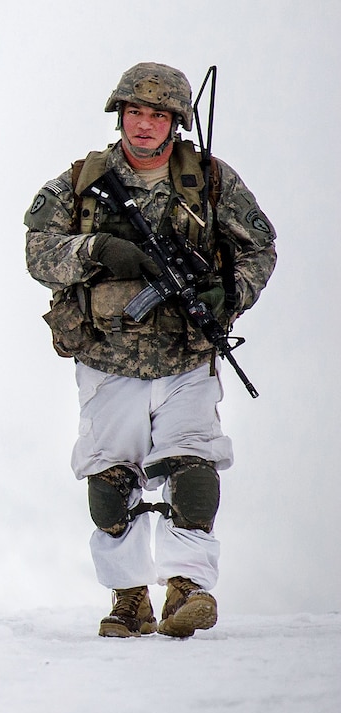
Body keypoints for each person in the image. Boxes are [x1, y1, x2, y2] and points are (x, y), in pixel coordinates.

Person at [23, 62, 275, 638]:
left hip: (186, 354)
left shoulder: (211, 182)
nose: (144, 125)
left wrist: (229, 292)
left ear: (176, 121)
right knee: (111, 480)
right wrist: (97, 249)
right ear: (119, 115)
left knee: (194, 466)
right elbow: (39, 252)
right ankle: (129, 598)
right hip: (108, 358)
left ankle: (187, 589)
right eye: (135, 111)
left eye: (157, 114)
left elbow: (260, 246)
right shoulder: (80, 182)